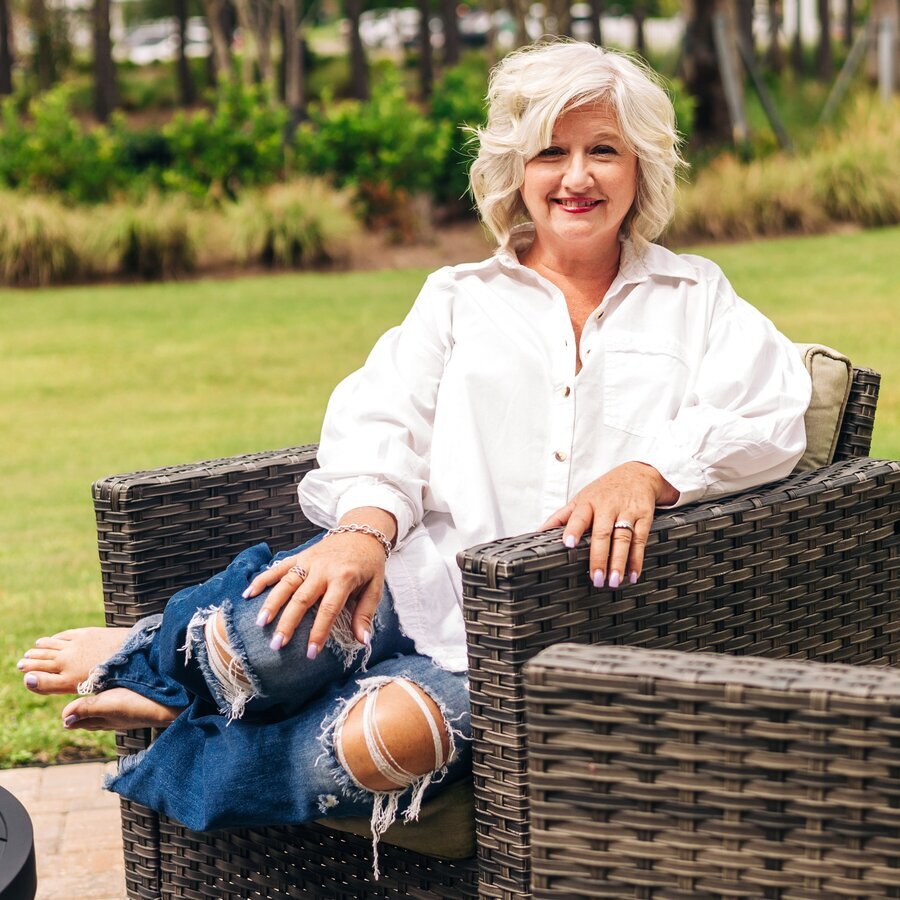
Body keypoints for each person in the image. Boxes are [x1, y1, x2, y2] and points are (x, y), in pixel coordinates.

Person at [18, 40, 811, 871]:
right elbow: (380, 418)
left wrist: (649, 473)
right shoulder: (458, 298)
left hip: (554, 639)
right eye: (551, 151)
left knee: (388, 742)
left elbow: (769, 410)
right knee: (283, 630)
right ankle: (163, 655)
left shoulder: (697, 297)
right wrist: (363, 530)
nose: (576, 176)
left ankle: (181, 715)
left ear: (641, 166)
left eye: (603, 150)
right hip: (423, 583)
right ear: (516, 170)